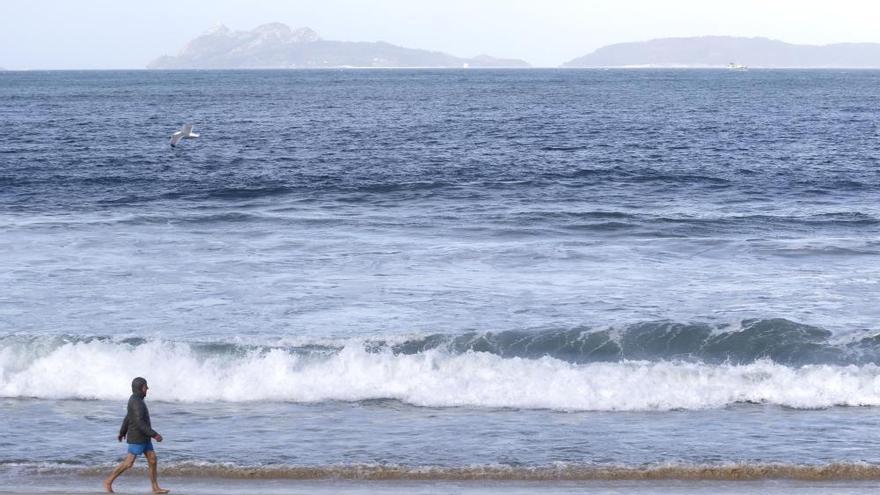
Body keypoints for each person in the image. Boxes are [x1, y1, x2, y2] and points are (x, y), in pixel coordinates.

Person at [103, 377, 169, 494]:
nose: (147, 388)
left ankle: (155, 488)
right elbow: (139, 423)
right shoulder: (136, 402)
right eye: (145, 386)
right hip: (137, 437)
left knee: (153, 459)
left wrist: (122, 431)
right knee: (128, 463)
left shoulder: (136, 399)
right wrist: (155, 434)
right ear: (140, 388)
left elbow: (128, 417)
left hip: (144, 437)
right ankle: (108, 481)